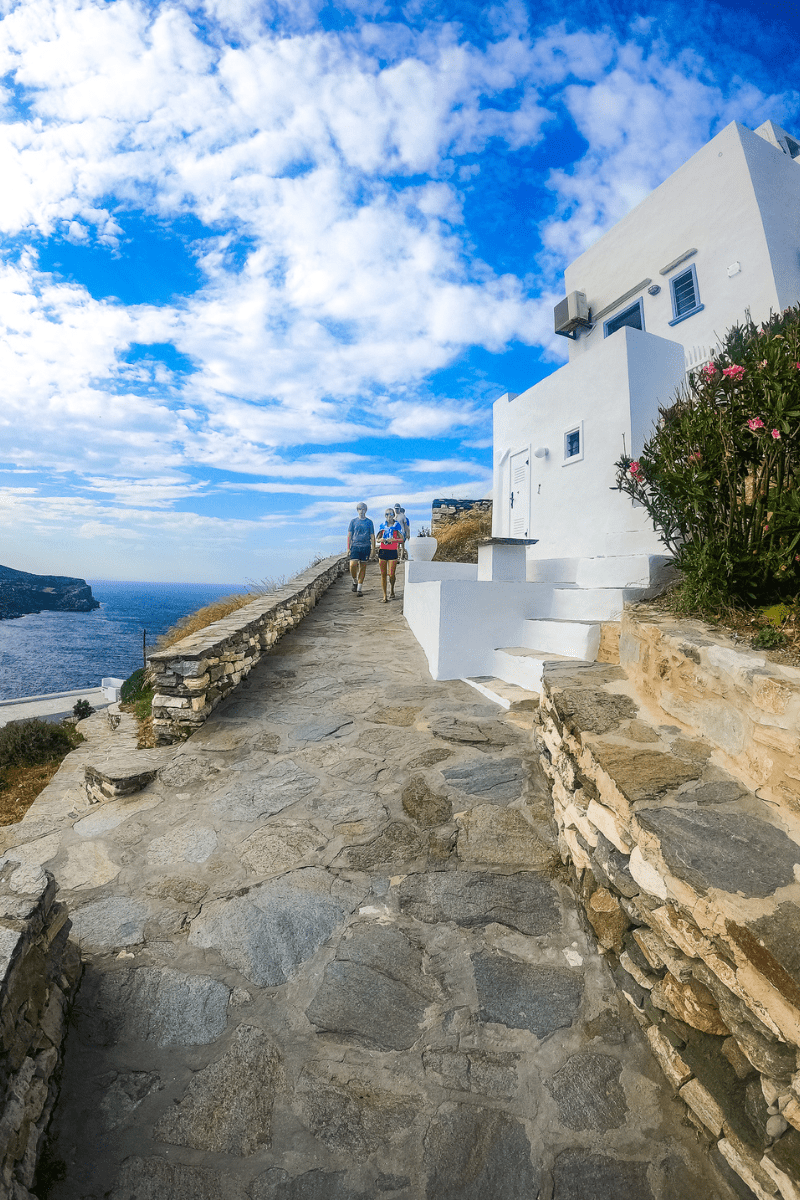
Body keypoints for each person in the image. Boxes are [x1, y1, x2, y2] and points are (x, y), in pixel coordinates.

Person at [347, 502, 375, 597]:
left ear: (366, 510)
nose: (361, 511)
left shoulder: (369, 522)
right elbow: (349, 535)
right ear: (357, 510)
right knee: (352, 565)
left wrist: (373, 549)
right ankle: (354, 581)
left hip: (366, 546)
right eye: (359, 509)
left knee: (363, 567)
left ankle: (359, 588)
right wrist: (348, 547)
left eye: (363, 509)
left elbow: (372, 536)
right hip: (355, 546)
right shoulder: (353, 521)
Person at [376, 506, 404, 602]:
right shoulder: (382, 526)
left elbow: (402, 539)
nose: (388, 516)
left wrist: (394, 540)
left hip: (392, 551)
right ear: (385, 516)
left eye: (391, 514)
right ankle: (385, 595)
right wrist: (381, 540)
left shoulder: (397, 526)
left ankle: (392, 589)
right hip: (383, 550)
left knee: (391, 574)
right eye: (387, 514)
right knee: (383, 574)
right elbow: (377, 539)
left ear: (393, 515)